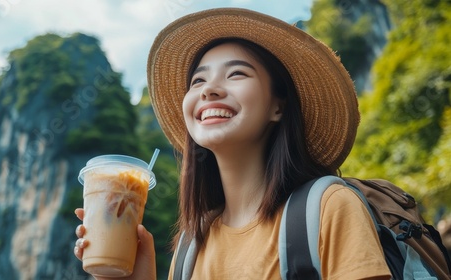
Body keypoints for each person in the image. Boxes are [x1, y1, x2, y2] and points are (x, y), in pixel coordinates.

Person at [74, 8, 392, 280]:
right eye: (198, 80)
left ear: (277, 106)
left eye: (236, 74)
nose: (209, 90)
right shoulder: (191, 246)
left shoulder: (328, 208)